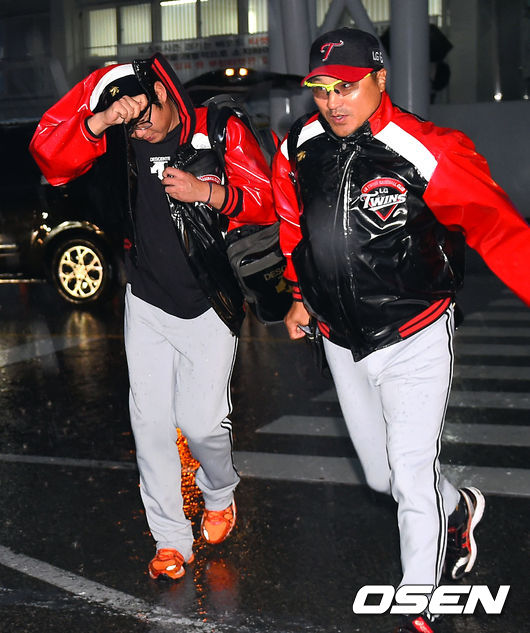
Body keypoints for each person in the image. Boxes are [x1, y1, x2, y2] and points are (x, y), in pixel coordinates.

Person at [272, 27, 530, 633]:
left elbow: (499, 228)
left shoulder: (425, 148)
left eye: (347, 87)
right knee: (382, 476)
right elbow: (293, 223)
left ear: (380, 80)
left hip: (416, 330)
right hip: (341, 338)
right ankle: (458, 507)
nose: (333, 102)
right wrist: (298, 295)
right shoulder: (300, 145)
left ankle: (420, 601)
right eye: (321, 89)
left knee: (411, 473)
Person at [30, 53, 276, 581]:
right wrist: (101, 120)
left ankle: (220, 492)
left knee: (202, 425)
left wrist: (206, 192)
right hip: (145, 302)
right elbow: (51, 160)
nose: (138, 133)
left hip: (209, 304)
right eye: (130, 126)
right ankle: (170, 540)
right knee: (150, 426)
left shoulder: (217, 127)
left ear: (162, 93)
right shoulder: (120, 135)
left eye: (142, 121)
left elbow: (264, 202)